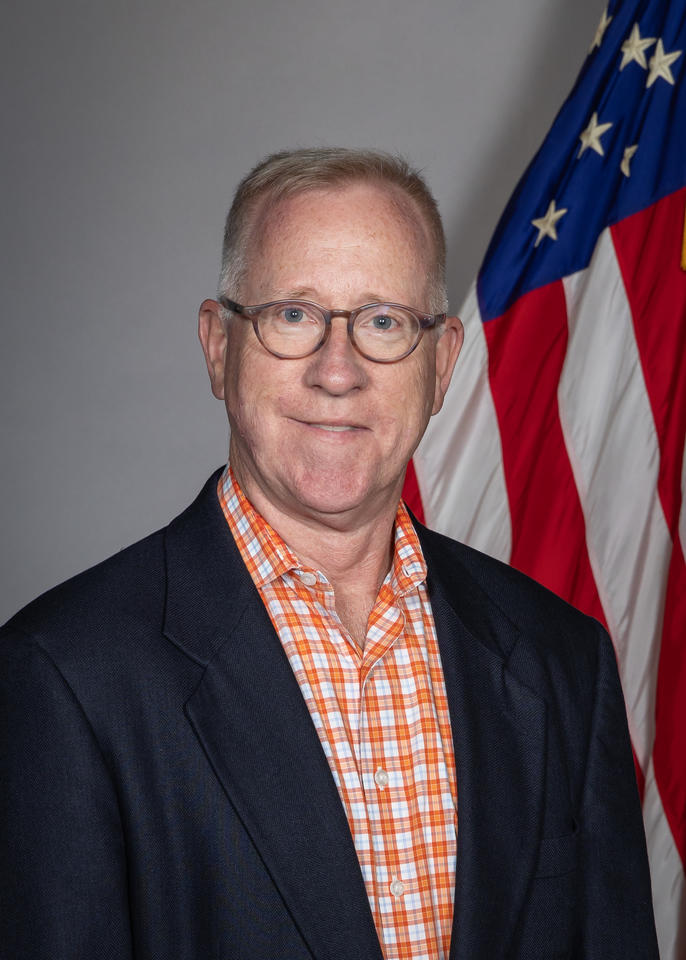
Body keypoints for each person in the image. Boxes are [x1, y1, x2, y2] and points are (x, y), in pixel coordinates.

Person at [1, 147, 658, 960]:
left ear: (443, 362)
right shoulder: (61, 677)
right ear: (218, 345)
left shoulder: (565, 662)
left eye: (383, 320)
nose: (337, 370)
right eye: (293, 314)